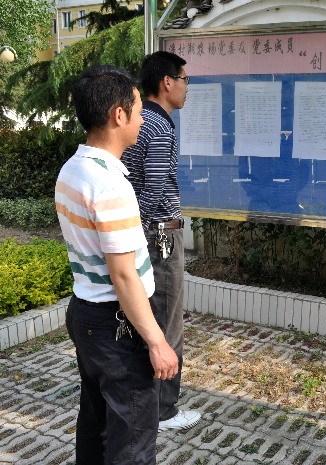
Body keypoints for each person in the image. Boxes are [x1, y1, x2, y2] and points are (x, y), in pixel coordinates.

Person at [55, 65, 179, 464]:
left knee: (97, 424)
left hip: (86, 314)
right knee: (132, 440)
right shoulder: (111, 186)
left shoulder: (73, 168)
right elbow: (124, 275)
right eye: (140, 111)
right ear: (118, 115)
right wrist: (157, 342)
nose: (143, 120)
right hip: (117, 327)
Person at [121, 51, 201, 432]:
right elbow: (152, 191)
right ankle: (163, 410)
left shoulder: (141, 122)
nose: (187, 88)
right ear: (167, 82)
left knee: (146, 321)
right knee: (167, 323)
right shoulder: (159, 127)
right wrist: (141, 234)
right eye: (184, 80)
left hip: (145, 235)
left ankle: (143, 400)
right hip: (160, 237)